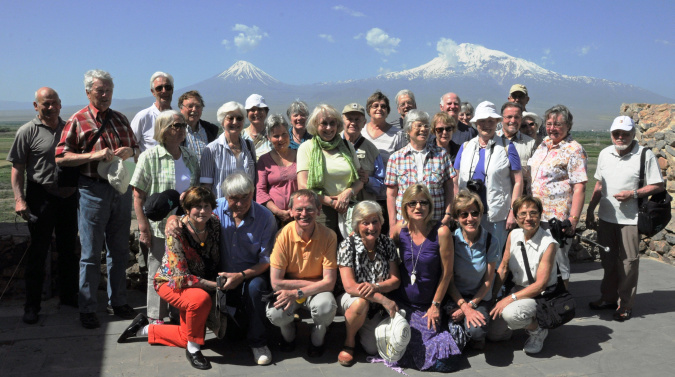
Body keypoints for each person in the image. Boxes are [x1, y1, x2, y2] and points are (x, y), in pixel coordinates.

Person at [55, 69, 139, 328]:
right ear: (88, 92)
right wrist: (91, 156)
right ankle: (88, 307)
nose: (104, 95)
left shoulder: (121, 119)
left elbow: (136, 148)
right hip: (92, 190)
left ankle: (118, 301)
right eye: (100, 91)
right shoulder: (78, 121)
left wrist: (130, 150)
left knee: (119, 250)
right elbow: (60, 157)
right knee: (91, 253)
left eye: (108, 91)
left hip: (119, 190)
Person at [117, 186, 220, 370]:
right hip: (170, 283)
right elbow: (181, 277)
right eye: (197, 206)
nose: (203, 210)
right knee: (200, 300)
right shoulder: (176, 232)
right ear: (187, 209)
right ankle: (194, 350)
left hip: (195, 283)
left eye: (207, 206)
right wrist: (215, 285)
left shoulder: (214, 224)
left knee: (186, 334)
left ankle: (144, 329)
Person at [7, 87, 78, 324]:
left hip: (68, 196)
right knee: (38, 252)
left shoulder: (69, 129)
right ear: (35, 106)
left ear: (60, 104)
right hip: (40, 195)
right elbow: (17, 169)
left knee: (69, 249)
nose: (50, 107)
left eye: (54, 103)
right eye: (45, 103)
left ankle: (69, 297)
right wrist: (19, 199)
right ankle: (32, 305)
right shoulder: (27, 131)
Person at [586, 116, 665, 321]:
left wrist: (633, 194)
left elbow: (658, 185)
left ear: (633, 134)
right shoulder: (605, 154)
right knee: (608, 260)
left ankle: (626, 304)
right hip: (606, 216)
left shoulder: (644, 155)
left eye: (625, 133)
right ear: (611, 134)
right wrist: (590, 210)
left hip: (631, 219)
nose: (620, 137)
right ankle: (608, 298)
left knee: (628, 263)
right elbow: (598, 185)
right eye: (616, 133)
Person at [130, 110, 200, 324]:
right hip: (159, 227)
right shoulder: (149, 157)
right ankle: (156, 317)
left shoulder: (189, 156)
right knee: (157, 271)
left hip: (185, 227)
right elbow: (138, 195)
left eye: (183, 126)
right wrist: (143, 228)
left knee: (181, 270)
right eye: (176, 126)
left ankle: (180, 313)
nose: (181, 130)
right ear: (164, 129)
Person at [390, 184, 460, 371]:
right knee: (399, 342)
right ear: (405, 207)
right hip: (402, 303)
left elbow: (447, 274)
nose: (418, 207)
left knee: (446, 362)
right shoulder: (399, 229)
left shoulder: (441, 232)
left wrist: (435, 305)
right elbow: (386, 255)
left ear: (430, 206)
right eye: (412, 203)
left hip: (428, 305)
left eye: (423, 203)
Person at [266, 189, 338, 358]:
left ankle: (318, 336)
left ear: (318, 211)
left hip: (311, 291)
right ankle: (289, 332)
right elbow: (276, 283)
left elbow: (330, 283)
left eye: (309, 209)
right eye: (298, 209)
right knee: (275, 313)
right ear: (290, 211)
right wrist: (317, 283)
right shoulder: (283, 235)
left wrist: (298, 291)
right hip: (312, 286)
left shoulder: (329, 236)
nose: (304, 214)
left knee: (326, 307)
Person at [488, 196, 558, 355]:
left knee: (511, 314)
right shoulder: (514, 235)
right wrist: (492, 296)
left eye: (533, 213)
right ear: (516, 216)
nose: (528, 218)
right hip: (519, 289)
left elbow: (540, 285)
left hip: (540, 293)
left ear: (540, 215)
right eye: (523, 214)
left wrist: (508, 299)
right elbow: (504, 267)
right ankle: (522, 321)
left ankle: (538, 330)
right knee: (494, 335)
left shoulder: (548, 243)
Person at [336, 200, 401, 366]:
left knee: (372, 349)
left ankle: (360, 327)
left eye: (375, 221)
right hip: (352, 298)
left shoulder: (387, 243)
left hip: (377, 307)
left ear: (381, 222)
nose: (371, 227)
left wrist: (376, 286)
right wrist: (383, 299)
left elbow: (395, 280)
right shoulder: (347, 246)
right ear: (357, 225)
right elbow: (350, 287)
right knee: (359, 303)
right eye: (365, 223)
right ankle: (349, 342)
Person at [529, 105, 587, 286]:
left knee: (558, 260)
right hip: (537, 214)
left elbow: (579, 187)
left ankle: (563, 303)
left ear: (568, 126)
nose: (552, 128)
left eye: (558, 124)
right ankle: (544, 298)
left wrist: (573, 219)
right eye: (549, 124)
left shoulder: (574, 150)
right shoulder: (543, 144)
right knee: (541, 259)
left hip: (557, 217)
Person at [454, 101, 523, 253]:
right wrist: (456, 207)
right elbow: (455, 178)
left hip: (497, 214)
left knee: (495, 256)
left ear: (497, 122)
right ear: (476, 123)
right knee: (470, 255)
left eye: (491, 121)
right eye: (482, 121)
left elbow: (518, 181)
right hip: (469, 214)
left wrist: (513, 211)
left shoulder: (507, 147)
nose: (486, 125)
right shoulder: (465, 147)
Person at [297, 104, 363, 238]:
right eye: (324, 123)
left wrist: (348, 193)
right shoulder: (307, 148)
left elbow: (360, 179)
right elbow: (303, 186)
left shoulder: (347, 146)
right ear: (315, 125)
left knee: (350, 253)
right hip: (321, 210)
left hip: (348, 209)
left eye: (332, 123)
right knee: (324, 254)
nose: (329, 128)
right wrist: (332, 202)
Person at [446, 190, 499, 351]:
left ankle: (472, 335)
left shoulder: (491, 241)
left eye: (474, 213)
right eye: (464, 215)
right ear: (456, 218)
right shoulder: (451, 240)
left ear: (481, 214)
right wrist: (463, 307)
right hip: (456, 296)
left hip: (479, 298)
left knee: (477, 330)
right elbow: (448, 280)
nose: (470, 219)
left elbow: (488, 281)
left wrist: (469, 307)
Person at [386, 110, 455, 231]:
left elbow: (449, 187)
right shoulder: (396, 158)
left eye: (426, 126)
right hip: (405, 224)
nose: (423, 129)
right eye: (419, 125)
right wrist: (392, 225)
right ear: (408, 129)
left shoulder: (441, 154)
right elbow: (391, 194)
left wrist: (447, 215)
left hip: (436, 223)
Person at [361, 91, 407, 233]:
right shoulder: (360, 132)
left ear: (388, 111)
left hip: (386, 196)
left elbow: (403, 165)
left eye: (383, 106)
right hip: (363, 194)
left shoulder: (397, 135)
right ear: (369, 109)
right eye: (375, 106)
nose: (379, 109)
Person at [200, 101, 255, 198]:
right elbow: (206, 187)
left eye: (239, 118)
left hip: (246, 207)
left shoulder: (249, 146)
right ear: (222, 121)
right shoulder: (211, 149)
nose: (235, 122)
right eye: (230, 118)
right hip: (221, 208)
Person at [256, 114, 298, 226]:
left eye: (284, 134)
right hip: (274, 218)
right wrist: (278, 212)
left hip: (299, 215)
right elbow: (260, 191)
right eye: (276, 136)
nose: (281, 139)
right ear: (269, 138)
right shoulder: (264, 160)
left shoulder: (300, 155)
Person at [341, 102, 385, 202]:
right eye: (349, 119)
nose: (353, 123)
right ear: (343, 121)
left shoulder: (371, 150)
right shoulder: (332, 145)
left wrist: (368, 180)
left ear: (364, 123)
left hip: (364, 208)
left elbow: (382, 184)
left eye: (357, 120)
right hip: (336, 206)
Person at [497, 102, 536, 194]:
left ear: (521, 119)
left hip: (521, 196)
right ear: (502, 119)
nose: (513, 120)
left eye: (517, 117)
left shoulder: (530, 143)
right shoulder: (492, 140)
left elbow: (534, 175)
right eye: (509, 117)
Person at [131, 72, 174, 152]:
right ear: (153, 92)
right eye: (159, 88)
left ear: (172, 90)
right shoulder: (143, 117)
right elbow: (130, 146)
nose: (164, 91)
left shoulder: (178, 118)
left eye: (168, 87)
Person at [178, 90, 219, 162]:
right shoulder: (175, 130)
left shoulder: (211, 130)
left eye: (198, 106)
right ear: (181, 109)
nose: (194, 110)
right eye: (190, 106)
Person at [243, 93, 271, 158]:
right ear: (247, 113)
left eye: (260, 109)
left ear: (266, 112)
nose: (256, 113)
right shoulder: (240, 136)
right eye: (252, 110)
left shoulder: (273, 135)